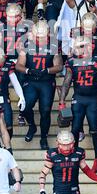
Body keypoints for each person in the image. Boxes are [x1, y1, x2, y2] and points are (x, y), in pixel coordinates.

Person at [59, 34, 97, 171]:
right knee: (75, 129)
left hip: (93, 100)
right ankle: (75, 158)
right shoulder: (72, 62)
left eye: (80, 46)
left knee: (95, 130)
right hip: (78, 98)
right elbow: (66, 82)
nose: (77, 49)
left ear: (89, 46)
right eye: (77, 46)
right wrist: (61, 101)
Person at [16, 21, 63, 150]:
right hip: (31, 80)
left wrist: (47, 70)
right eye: (38, 37)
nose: (40, 39)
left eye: (42, 37)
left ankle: (43, 137)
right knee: (25, 107)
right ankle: (32, 125)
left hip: (46, 81)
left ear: (48, 34)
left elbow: (59, 66)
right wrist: (28, 70)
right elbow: (19, 65)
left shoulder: (53, 44)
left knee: (45, 111)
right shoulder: (26, 43)